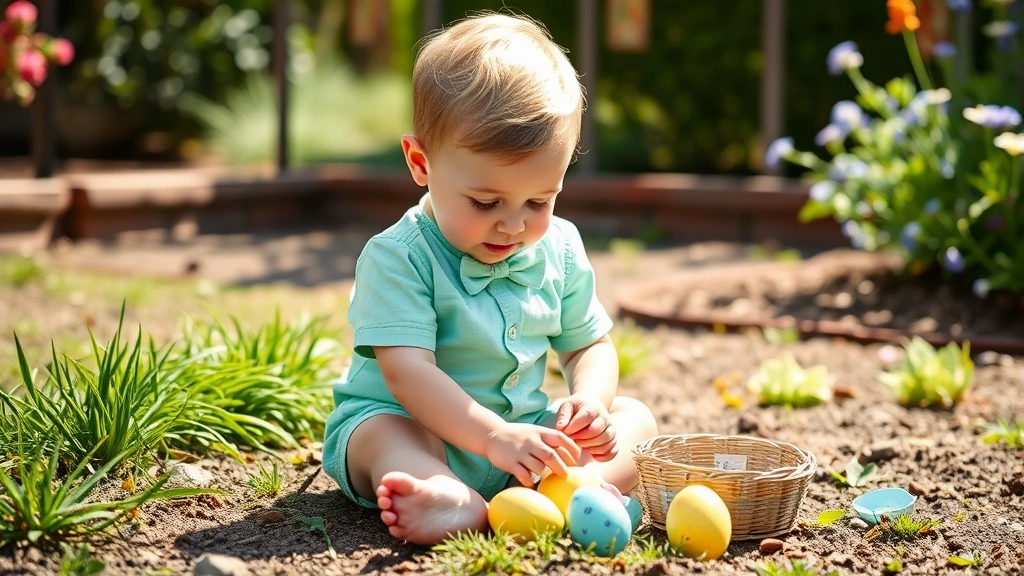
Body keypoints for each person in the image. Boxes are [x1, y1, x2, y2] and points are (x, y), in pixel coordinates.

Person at [322, 12, 658, 546]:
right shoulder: (398, 257)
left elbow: (588, 345)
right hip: (423, 425)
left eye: (539, 200)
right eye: (485, 201)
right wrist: (493, 435)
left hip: (521, 438)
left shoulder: (560, 248)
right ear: (420, 162)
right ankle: (446, 495)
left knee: (635, 418)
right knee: (380, 435)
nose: (514, 223)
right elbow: (407, 375)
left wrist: (590, 402)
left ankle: (571, 491)